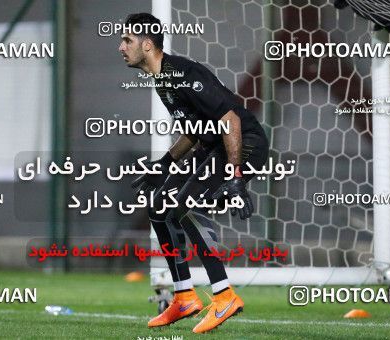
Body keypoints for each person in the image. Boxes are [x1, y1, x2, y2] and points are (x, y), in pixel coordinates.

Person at [118, 13, 269, 333]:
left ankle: (225, 296)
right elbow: (193, 133)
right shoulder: (162, 80)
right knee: (159, 207)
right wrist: (163, 166)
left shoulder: (186, 74)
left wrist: (236, 176)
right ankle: (185, 296)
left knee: (183, 207)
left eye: (127, 40)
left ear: (147, 45)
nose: (121, 47)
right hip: (213, 147)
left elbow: (231, 120)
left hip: (245, 147)